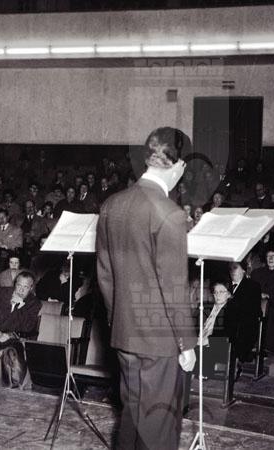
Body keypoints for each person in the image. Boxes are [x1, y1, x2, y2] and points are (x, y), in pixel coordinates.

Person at [96, 127, 197, 450]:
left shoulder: (112, 205)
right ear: (178, 165)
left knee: (132, 419)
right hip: (159, 339)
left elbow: (105, 274)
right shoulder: (169, 213)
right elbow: (173, 286)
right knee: (159, 429)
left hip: (124, 333)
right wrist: (186, 343)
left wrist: (118, 319)